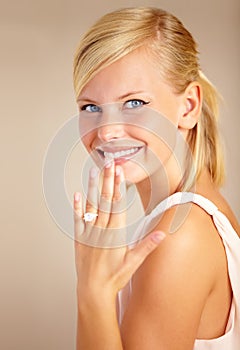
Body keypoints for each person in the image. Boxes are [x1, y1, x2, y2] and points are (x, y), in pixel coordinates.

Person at [72, 7, 240, 350]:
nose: (107, 132)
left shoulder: (179, 235)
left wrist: (93, 293)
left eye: (134, 102)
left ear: (189, 106)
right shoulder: (198, 212)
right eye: (90, 107)